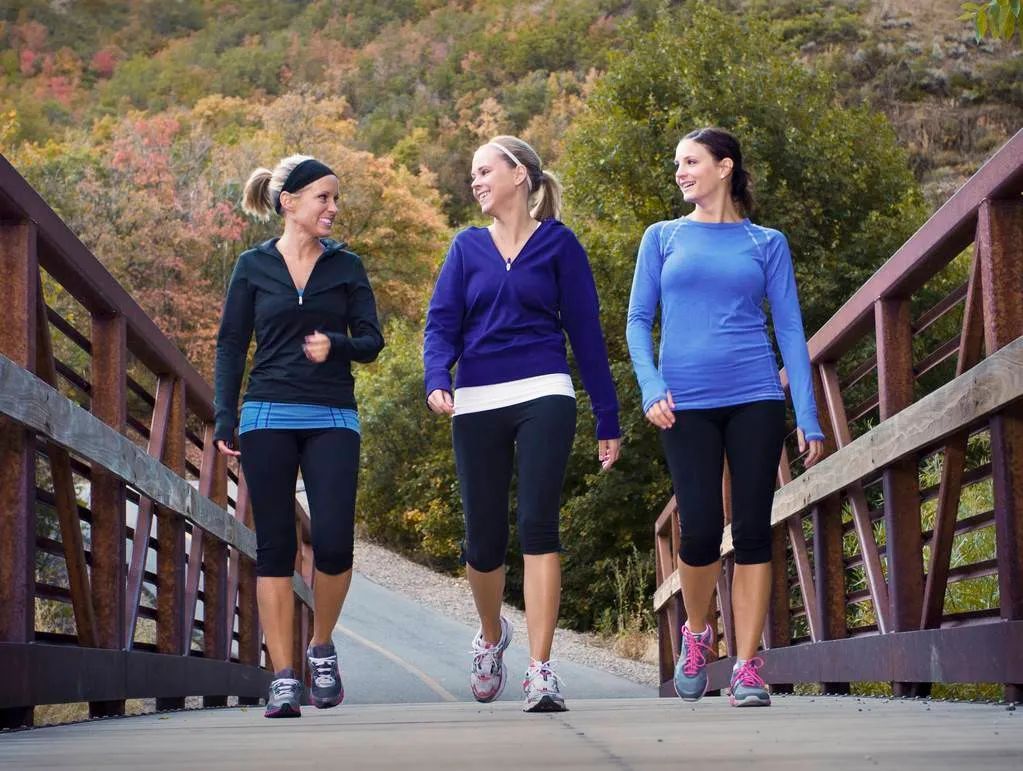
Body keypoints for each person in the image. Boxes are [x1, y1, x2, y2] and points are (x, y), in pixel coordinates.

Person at [626, 127, 824, 707]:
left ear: (725, 167)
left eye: (691, 161)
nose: (681, 172)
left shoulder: (767, 243)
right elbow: (639, 321)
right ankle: (696, 633)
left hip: (755, 394)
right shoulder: (661, 237)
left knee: (756, 528)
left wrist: (807, 416)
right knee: (703, 528)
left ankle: (746, 667)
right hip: (683, 402)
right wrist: (651, 386)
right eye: (678, 163)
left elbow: (789, 328)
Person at [423, 135, 621, 712]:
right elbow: (441, 324)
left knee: (539, 524)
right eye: (473, 174)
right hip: (478, 396)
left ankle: (541, 669)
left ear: (519, 175)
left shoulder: (559, 245)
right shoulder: (465, 249)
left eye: (485, 170)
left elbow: (586, 335)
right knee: (482, 540)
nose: (476, 181)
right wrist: (438, 377)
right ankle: (490, 636)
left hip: (544, 390)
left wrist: (607, 416)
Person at [214, 154, 384, 718]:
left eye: (336, 199)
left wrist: (336, 343)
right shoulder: (252, 266)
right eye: (323, 198)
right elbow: (232, 344)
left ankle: (322, 647)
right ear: (289, 202)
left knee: (335, 543)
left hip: (333, 413)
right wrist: (223, 416)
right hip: (266, 413)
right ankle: (283, 675)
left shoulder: (347, 268)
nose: (333, 209)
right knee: (275, 548)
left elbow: (372, 339)